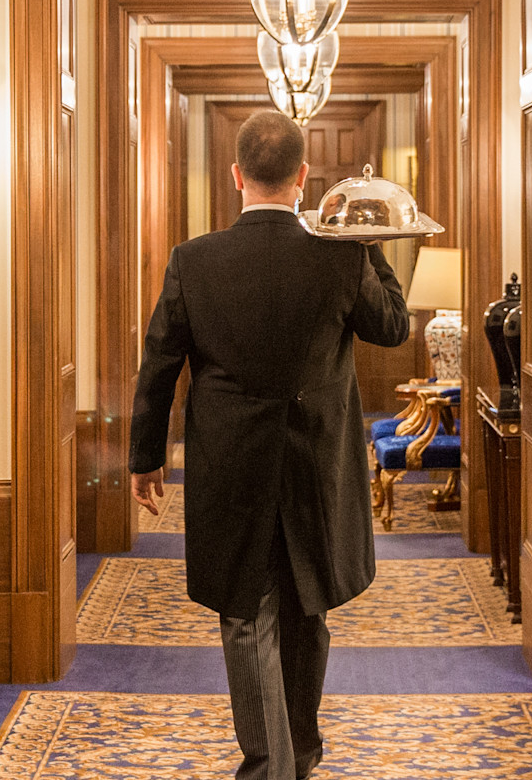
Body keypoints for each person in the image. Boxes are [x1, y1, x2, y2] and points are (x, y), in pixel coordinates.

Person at [129, 110, 411, 780]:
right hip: (318, 467)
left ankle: (270, 765)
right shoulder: (340, 255)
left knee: (247, 612)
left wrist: (145, 458)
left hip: (231, 467)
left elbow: (159, 363)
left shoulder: (193, 261)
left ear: (236, 176)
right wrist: (367, 240)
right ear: (303, 178)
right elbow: (394, 327)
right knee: (307, 608)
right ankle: (297, 757)